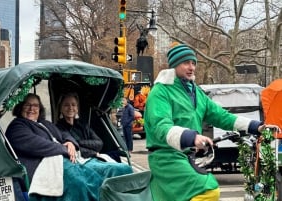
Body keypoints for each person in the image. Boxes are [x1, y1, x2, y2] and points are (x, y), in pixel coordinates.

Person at [144, 43, 281, 201]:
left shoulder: (196, 92)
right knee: (208, 189)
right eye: (186, 63)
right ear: (174, 65)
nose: (191, 67)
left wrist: (256, 126)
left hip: (185, 157)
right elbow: (160, 126)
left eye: (194, 63)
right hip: (166, 158)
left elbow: (221, 116)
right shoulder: (161, 91)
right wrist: (192, 137)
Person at [5, 93, 103, 201]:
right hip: (43, 167)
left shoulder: (44, 123)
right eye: (27, 105)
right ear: (20, 107)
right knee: (79, 184)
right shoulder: (17, 126)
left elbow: (63, 134)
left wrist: (70, 141)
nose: (31, 109)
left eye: (35, 105)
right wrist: (65, 149)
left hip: (63, 162)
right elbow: (39, 145)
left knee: (95, 179)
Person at [56, 92, 133, 178]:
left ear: (77, 108)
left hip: (94, 158)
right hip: (79, 163)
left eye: (73, 105)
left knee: (125, 168)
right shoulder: (58, 128)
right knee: (115, 169)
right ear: (60, 108)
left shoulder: (83, 125)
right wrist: (93, 152)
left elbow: (99, 143)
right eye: (66, 105)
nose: (70, 108)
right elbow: (73, 151)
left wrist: (77, 143)